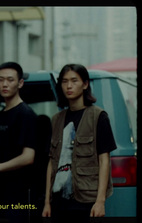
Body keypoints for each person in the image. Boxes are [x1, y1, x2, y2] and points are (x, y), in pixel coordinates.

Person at [42, 64, 116, 223]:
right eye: (64, 81)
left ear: (85, 84)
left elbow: (104, 160)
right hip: (58, 201)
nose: (69, 86)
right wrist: (47, 202)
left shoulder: (98, 116)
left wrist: (100, 201)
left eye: (74, 80)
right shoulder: (56, 119)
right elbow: (51, 162)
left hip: (86, 200)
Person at [0, 62, 37, 223]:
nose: (4, 84)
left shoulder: (26, 114)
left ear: (20, 83)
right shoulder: (0, 115)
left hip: (19, 194)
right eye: (1, 80)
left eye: (10, 80)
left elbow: (28, 157)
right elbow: (7, 154)